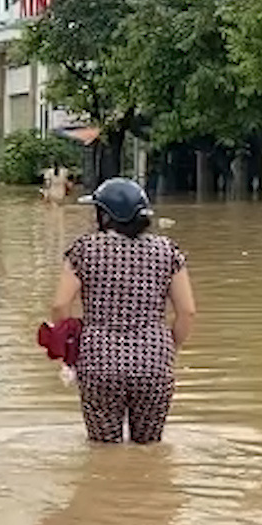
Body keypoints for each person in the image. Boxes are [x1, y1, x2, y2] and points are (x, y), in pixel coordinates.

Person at [49, 177, 197, 444]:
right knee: (149, 448)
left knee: (103, 448)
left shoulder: (85, 250)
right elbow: (187, 312)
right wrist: (166, 349)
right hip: (153, 362)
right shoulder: (168, 251)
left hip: (98, 362)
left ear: (104, 216)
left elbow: (60, 305)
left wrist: (70, 345)